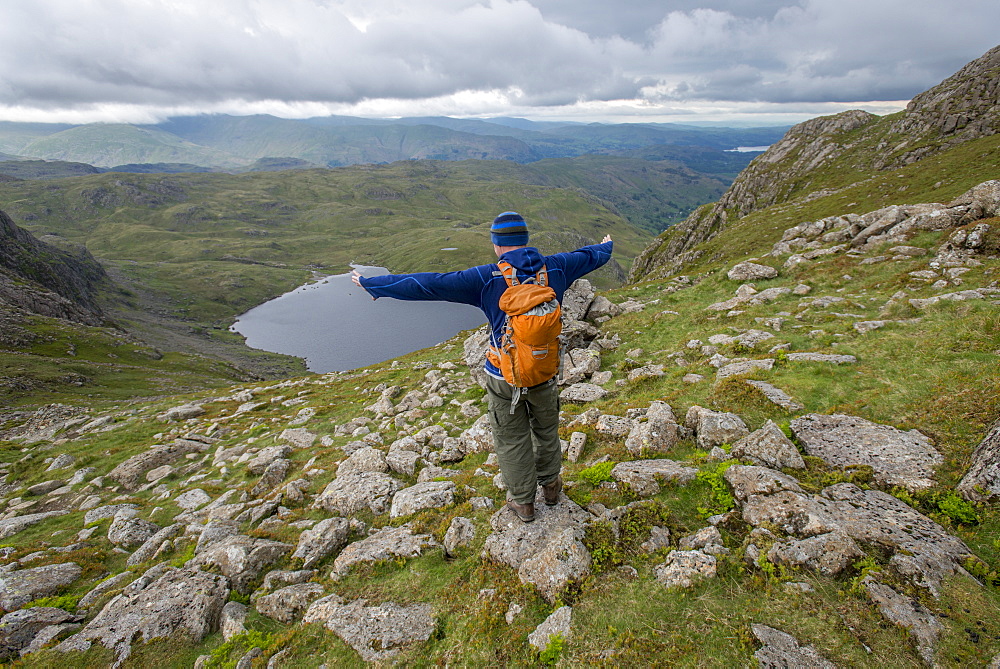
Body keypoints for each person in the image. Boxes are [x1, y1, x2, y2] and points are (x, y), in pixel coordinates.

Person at [352, 211, 613, 522]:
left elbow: (429, 284)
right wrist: (606, 246)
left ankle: (523, 503)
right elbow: (589, 256)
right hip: (544, 370)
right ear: (525, 239)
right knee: (545, 430)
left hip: (504, 375)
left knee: (511, 437)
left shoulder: (485, 277)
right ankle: (552, 488)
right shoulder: (557, 266)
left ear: (496, 245)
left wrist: (374, 285)